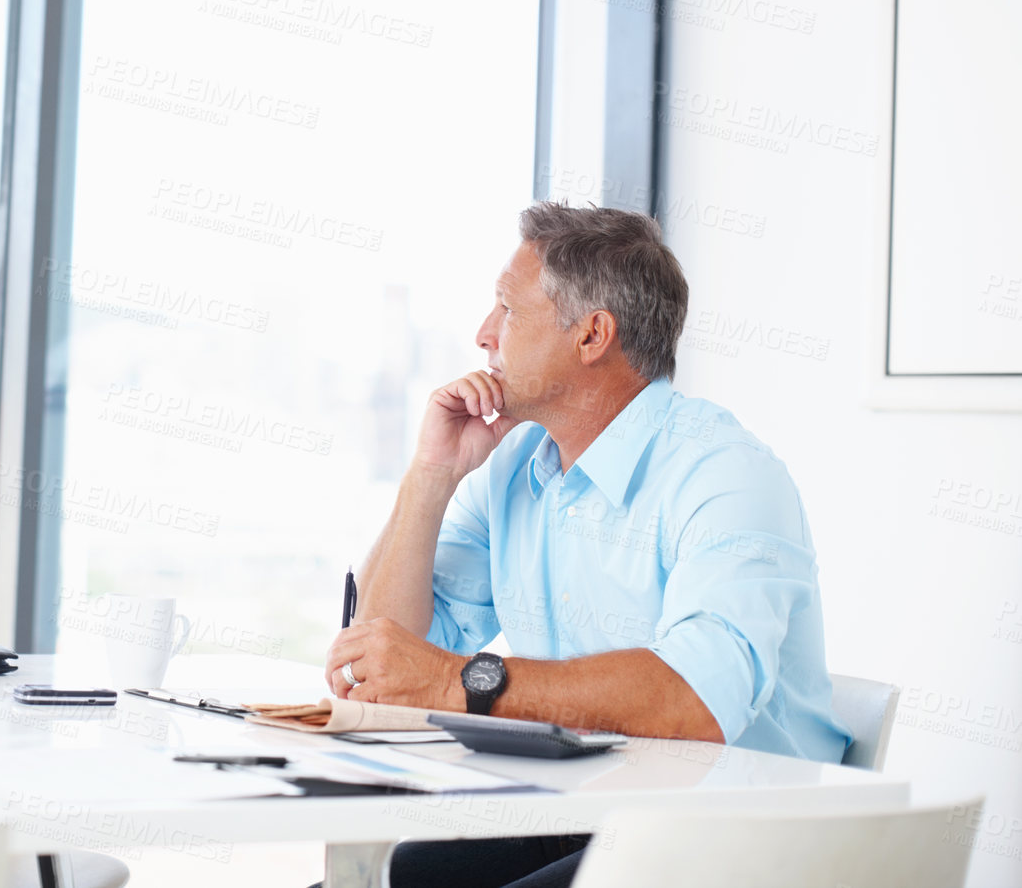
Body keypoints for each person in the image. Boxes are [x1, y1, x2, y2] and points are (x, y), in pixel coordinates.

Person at [327, 202, 850, 888]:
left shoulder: (725, 474)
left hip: (748, 841)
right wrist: (432, 476)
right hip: (604, 812)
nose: (484, 335)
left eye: (507, 311)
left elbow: (694, 701)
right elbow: (382, 663)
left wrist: (459, 680)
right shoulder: (515, 468)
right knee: (401, 876)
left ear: (592, 335)